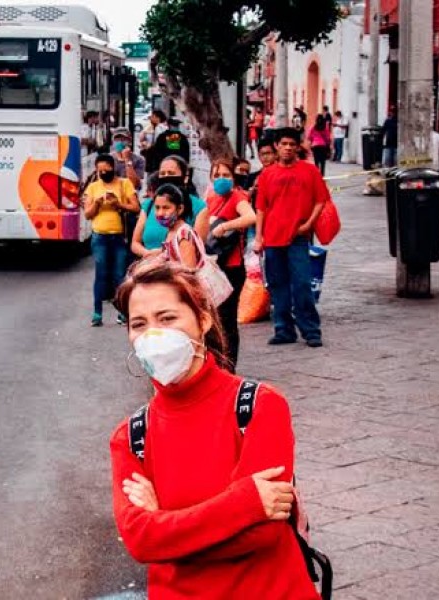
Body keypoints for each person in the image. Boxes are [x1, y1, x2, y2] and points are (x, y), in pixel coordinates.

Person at [110, 260, 321, 600]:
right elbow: (139, 541)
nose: (153, 334)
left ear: (203, 319)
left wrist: (166, 528)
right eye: (139, 324)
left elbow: (263, 534)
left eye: (167, 318)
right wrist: (245, 501)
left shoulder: (260, 406)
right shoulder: (130, 436)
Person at [253, 127, 328, 347]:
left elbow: (320, 200)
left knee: (302, 283)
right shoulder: (267, 174)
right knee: (277, 285)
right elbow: (261, 209)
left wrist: (308, 224)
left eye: (291, 145)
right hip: (272, 237)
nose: (287, 148)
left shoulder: (310, 171)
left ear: (297, 147)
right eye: (283, 144)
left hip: (298, 237)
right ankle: (284, 330)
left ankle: (311, 330)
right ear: (276, 146)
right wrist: (259, 237)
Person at [206, 159, 256, 371]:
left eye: (226, 175)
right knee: (212, 319)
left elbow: (251, 217)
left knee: (227, 320)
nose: (221, 180)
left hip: (232, 266)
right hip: (212, 265)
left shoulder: (237, 197)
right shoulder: (209, 197)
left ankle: (228, 367)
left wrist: (225, 226)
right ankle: (215, 364)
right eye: (217, 175)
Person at [83, 154, 139, 327]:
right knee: (101, 274)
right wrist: (98, 203)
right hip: (99, 236)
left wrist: (118, 204)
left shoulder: (124, 184)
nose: (103, 172)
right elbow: (87, 214)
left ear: (113, 167)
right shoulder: (92, 188)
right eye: (100, 170)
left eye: (106, 169)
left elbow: (136, 207)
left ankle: (122, 312)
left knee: (119, 275)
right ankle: (97, 313)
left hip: (119, 237)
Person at [131, 157, 209, 259]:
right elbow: (135, 243)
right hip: (151, 268)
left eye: (171, 173)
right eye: (162, 173)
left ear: (185, 178)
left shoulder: (198, 207)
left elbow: (197, 247)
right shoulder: (149, 204)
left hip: (179, 269)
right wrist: (146, 253)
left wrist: (162, 253)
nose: (166, 177)